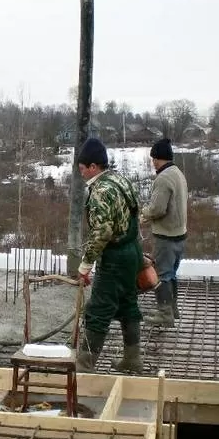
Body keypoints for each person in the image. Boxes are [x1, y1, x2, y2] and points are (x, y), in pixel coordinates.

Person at [76, 138, 144, 374]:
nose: (81, 173)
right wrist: (138, 253)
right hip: (131, 250)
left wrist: (85, 264)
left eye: (83, 168)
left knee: (98, 309)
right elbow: (135, 214)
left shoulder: (101, 191)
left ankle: (84, 366)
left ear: (93, 166)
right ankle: (133, 359)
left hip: (115, 257)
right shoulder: (120, 179)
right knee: (128, 304)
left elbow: (102, 231)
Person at [142, 138, 188, 327]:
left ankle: (165, 314)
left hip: (166, 237)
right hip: (180, 235)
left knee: (161, 275)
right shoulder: (178, 173)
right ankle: (172, 309)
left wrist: (142, 214)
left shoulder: (163, 178)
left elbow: (157, 209)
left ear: (157, 158)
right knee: (171, 274)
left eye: (153, 159)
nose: (152, 163)